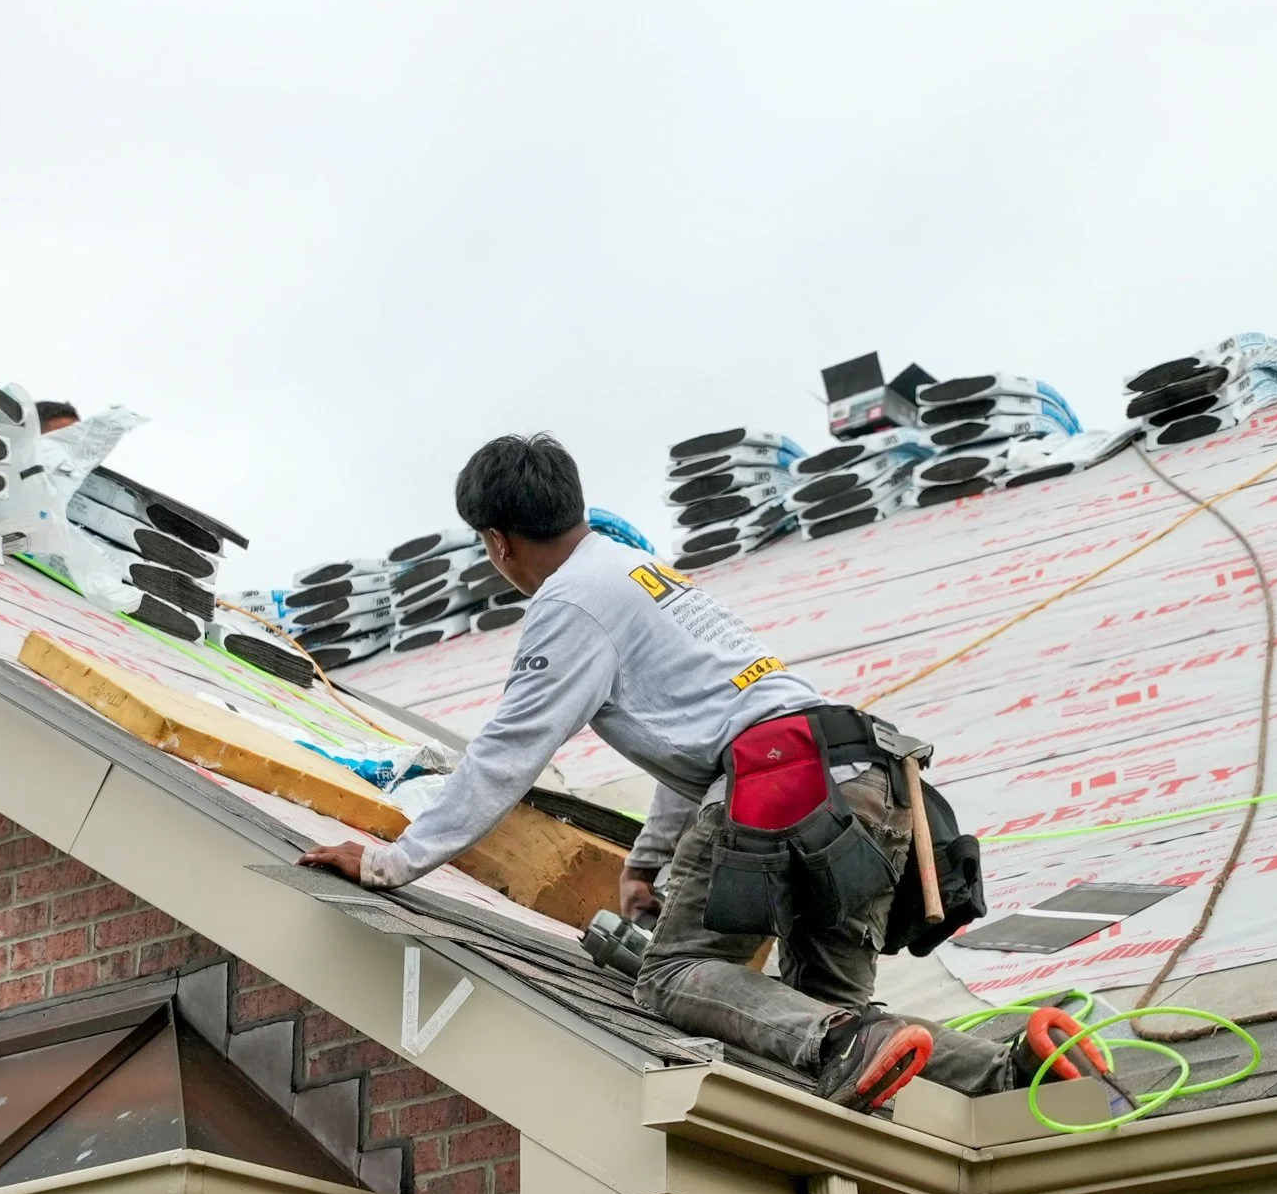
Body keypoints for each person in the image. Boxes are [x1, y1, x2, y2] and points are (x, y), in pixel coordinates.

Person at [300, 433, 1103, 1111]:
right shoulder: (638, 575)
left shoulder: (572, 603)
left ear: (498, 542)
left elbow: (506, 754)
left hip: (783, 788)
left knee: (677, 975)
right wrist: (649, 861)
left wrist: (387, 862)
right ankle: (1014, 1073)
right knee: (829, 1014)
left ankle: (846, 1040)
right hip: (875, 784)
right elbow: (716, 725)